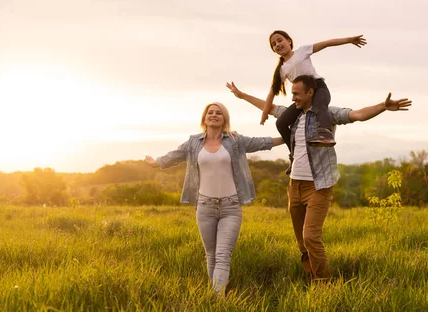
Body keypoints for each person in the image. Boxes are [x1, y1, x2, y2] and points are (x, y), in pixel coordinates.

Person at [227, 76, 411, 281]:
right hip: (294, 185)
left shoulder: (327, 114)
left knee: (311, 237)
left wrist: (383, 106)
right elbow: (269, 108)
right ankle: (310, 278)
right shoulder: (294, 115)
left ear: (310, 93)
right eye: (292, 93)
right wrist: (242, 95)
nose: (293, 97)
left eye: (297, 93)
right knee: (301, 243)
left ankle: (325, 285)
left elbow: (356, 114)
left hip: (318, 186)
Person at [145, 102, 284, 295]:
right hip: (205, 206)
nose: (214, 115)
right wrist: (157, 162)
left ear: (224, 119)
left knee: (223, 255)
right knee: (211, 255)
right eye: (210, 112)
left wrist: (287, 137)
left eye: (219, 113)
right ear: (204, 118)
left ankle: (219, 300)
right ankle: (214, 296)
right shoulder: (194, 142)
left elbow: (261, 142)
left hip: (231, 207)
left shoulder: (234, 141)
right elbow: (175, 155)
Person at [262, 30, 367, 173]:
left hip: (318, 89)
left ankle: (325, 134)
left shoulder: (302, 51)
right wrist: (264, 113)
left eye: (279, 40)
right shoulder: (282, 69)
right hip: (302, 98)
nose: (277, 45)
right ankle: (293, 153)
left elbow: (326, 44)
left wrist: (349, 40)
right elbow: (271, 93)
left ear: (289, 40)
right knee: (280, 123)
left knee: (318, 107)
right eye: (274, 44)